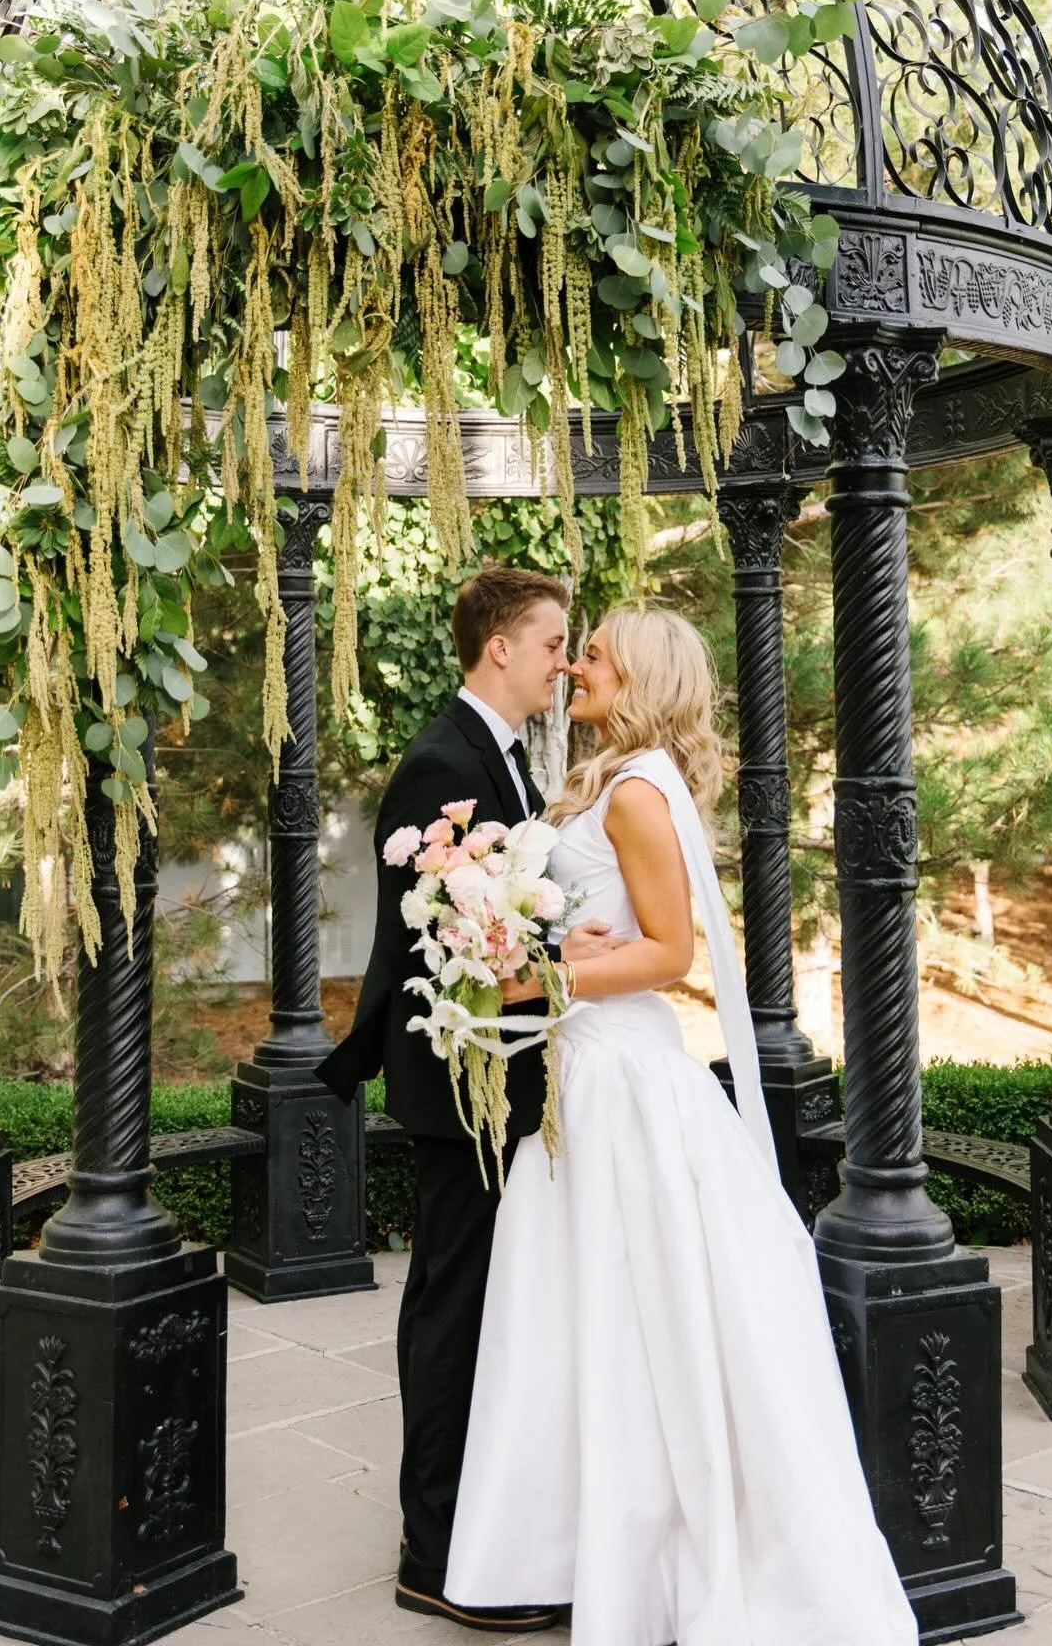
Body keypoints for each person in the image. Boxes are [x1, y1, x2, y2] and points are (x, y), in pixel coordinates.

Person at [443, 607, 918, 1645]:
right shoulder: (615, 780)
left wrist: (538, 973)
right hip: (585, 1068)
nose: (576, 664)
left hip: (624, 1077)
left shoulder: (641, 793)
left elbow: (669, 957)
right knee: (590, 1314)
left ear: (643, 675)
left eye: (596, 653)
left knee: (633, 1309)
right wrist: (529, 938)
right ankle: (583, 1547)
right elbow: (606, 927)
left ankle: (662, 1551)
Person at [315, 565, 608, 1635]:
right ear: (500, 649)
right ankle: (430, 1553)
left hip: (507, 1079)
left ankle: (483, 1525)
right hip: (460, 1091)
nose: (563, 663)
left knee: (488, 1309)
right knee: (452, 1311)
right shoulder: (441, 762)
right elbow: (427, 945)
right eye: (551, 644)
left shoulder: (505, 757)